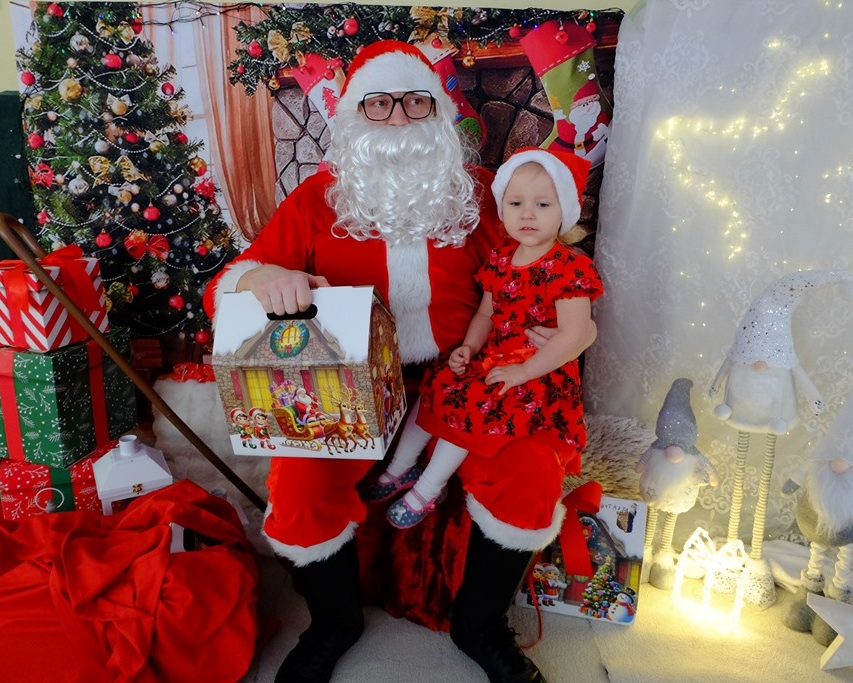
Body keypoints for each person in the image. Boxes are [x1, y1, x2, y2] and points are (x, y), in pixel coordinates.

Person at [203, 40, 584, 683]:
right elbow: (227, 283)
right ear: (354, 116)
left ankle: (481, 626)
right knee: (300, 480)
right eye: (378, 104)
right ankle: (333, 623)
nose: (400, 117)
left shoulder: (482, 196)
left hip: (467, 377)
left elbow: (540, 262)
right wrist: (263, 277)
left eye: (415, 102)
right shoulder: (318, 198)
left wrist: (551, 315)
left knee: (529, 471)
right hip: (348, 382)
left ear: (439, 113)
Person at [364, 148, 602, 530]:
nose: (527, 214)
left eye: (543, 204)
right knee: (441, 382)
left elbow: (574, 335)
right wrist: (469, 347)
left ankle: (427, 490)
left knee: (474, 405)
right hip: (494, 356)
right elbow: (485, 315)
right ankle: (400, 467)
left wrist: (523, 371)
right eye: (516, 203)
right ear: (502, 209)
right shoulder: (501, 258)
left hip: (539, 370)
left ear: (566, 212)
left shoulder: (569, 267)